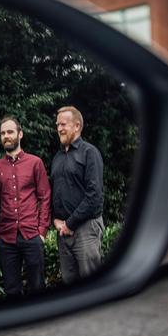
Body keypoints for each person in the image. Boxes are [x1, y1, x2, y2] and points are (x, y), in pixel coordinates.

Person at [0, 116, 51, 297]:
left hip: (32, 235)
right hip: (6, 239)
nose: (6, 136)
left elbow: (45, 196)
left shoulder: (35, 163)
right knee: (11, 289)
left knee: (37, 286)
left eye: (10, 132)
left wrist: (42, 231)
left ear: (20, 134)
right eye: (2, 133)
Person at [51, 106, 104, 284]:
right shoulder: (57, 157)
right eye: (57, 124)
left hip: (85, 230)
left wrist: (70, 223)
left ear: (77, 126)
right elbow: (54, 192)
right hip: (63, 233)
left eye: (63, 124)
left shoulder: (90, 153)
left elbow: (94, 197)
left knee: (92, 287)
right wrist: (55, 219)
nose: (59, 128)